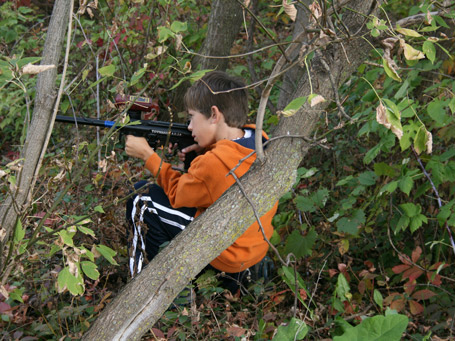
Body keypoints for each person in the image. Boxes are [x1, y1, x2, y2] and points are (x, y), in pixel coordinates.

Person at [125, 70, 278, 294]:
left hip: (225, 255)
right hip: (252, 248)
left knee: (142, 197)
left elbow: (177, 194)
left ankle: (143, 290)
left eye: (191, 117)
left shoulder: (214, 162)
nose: (189, 127)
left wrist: (149, 156)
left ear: (214, 115)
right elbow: (222, 168)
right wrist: (208, 146)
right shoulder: (259, 139)